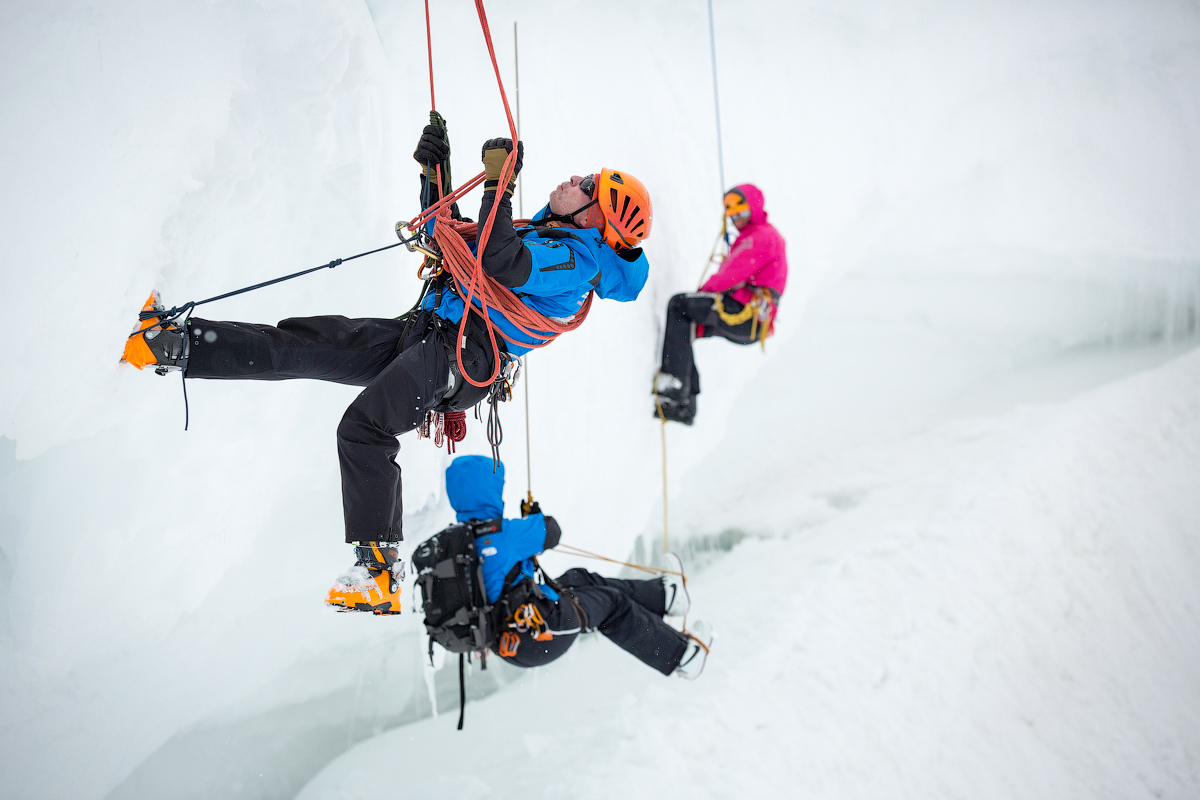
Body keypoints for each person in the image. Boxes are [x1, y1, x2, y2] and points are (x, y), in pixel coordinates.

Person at [120, 124, 654, 613]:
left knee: (364, 428)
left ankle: (378, 571)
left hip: (461, 358)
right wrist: (435, 176)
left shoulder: (576, 262)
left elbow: (500, 262)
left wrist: (498, 186)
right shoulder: (546, 236)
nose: (574, 180)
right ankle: (176, 345)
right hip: (429, 333)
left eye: (587, 185)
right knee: (306, 343)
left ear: (595, 217)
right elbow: (451, 237)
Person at [431, 455, 712, 680]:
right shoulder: (503, 533)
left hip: (514, 640)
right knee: (612, 606)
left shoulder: (458, 543)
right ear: (490, 493)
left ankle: (665, 596)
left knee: (577, 578)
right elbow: (551, 531)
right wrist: (532, 517)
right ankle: (683, 656)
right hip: (542, 632)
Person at [654, 183, 786, 425]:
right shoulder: (757, 237)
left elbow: (730, 275)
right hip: (753, 322)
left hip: (745, 314)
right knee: (686, 325)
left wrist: (701, 295)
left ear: (754, 210)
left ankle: (674, 386)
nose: (736, 219)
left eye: (742, 213)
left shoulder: (761, 236)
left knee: (679, 305)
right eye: (732, 215)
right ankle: (684, 406)